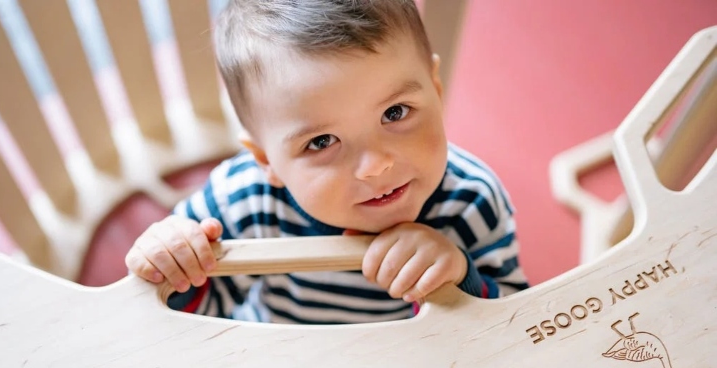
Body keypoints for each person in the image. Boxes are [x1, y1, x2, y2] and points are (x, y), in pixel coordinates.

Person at [125, 0, 528, 324]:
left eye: (395, 112)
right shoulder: (239, 200)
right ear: (266, 160)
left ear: (435, 90)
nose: (375, 165)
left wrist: (458, 278)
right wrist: (173, 263)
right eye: (321, 142)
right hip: (282, 367)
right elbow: (193, 318)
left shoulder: (471, 202)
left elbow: (518, 323)